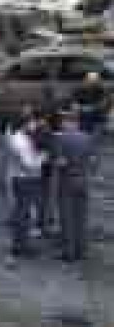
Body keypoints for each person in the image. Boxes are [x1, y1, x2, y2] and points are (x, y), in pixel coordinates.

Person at [54, 110, 94, 262]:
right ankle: (82, 250)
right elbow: (93, 161)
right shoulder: (87, 138)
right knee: (81, 217)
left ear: (69, 122)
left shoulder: (61, 139)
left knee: (67, 217)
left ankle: (69, 252)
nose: (62, 124)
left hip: (67, 181)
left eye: (63, 121)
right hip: (83, 181)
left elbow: (60, 162)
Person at [6, 113, 45, 258]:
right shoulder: (20, 142)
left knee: (21, 212)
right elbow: (29, 165)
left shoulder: (17, 137)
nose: (34, 125)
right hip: (25, 180)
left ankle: (19, 244)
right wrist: (42, 157)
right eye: (32, 123)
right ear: (25, 124)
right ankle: (22, 246)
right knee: (24, 214)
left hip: (19, 178)